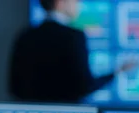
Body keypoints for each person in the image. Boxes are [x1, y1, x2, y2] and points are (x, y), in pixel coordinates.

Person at [8, 0, 137, 103]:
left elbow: (14, 87)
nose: (78, 4)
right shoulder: (73, 37)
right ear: (60, 2)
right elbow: (84, 87)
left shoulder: (25, 36)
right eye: (75, 1)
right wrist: (117, 72)